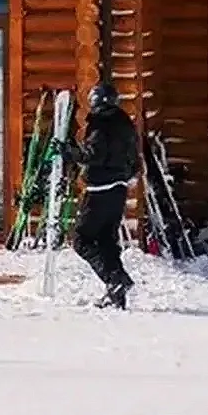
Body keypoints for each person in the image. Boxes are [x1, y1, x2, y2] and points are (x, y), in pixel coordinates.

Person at [72, 84, 141, 308]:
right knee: (105, 241)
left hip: (99, 190)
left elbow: (94, 155)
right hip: (119, 190)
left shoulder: (101, 125)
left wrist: (70, 152)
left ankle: (115, 279)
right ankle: (117, 292)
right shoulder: (125, 124)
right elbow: (134, 160)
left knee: (82, 240)